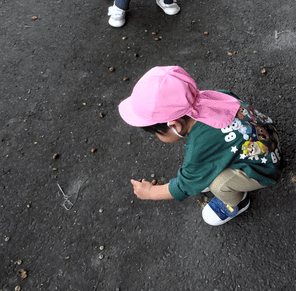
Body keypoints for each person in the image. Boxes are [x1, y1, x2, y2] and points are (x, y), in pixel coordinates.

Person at [119, 66, 283, 226]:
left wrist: (150, 193)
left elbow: (185, 184)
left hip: (265, 168)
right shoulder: (212, 96)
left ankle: (237, 202)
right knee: (213, 162)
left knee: (219, 185)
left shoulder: (200, 146)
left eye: (157, 133)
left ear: (175, 126)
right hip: (267, 136)